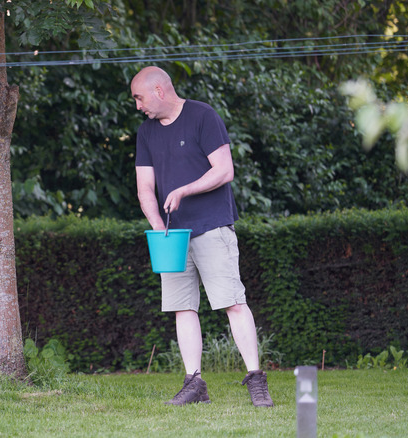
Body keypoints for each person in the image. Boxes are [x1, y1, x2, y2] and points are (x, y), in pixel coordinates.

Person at [131, 66, 273, 407]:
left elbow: (224, 170)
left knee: (232, 303)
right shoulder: (146, 132)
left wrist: (184, 191)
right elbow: (144, 187)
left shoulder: (202, 116)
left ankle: (256, 379)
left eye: (139, 97)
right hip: (172, 235)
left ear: (159, 91)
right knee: (182, 308)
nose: (138, 106)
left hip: (211, 225)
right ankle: (194, 383)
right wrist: (157, 226)